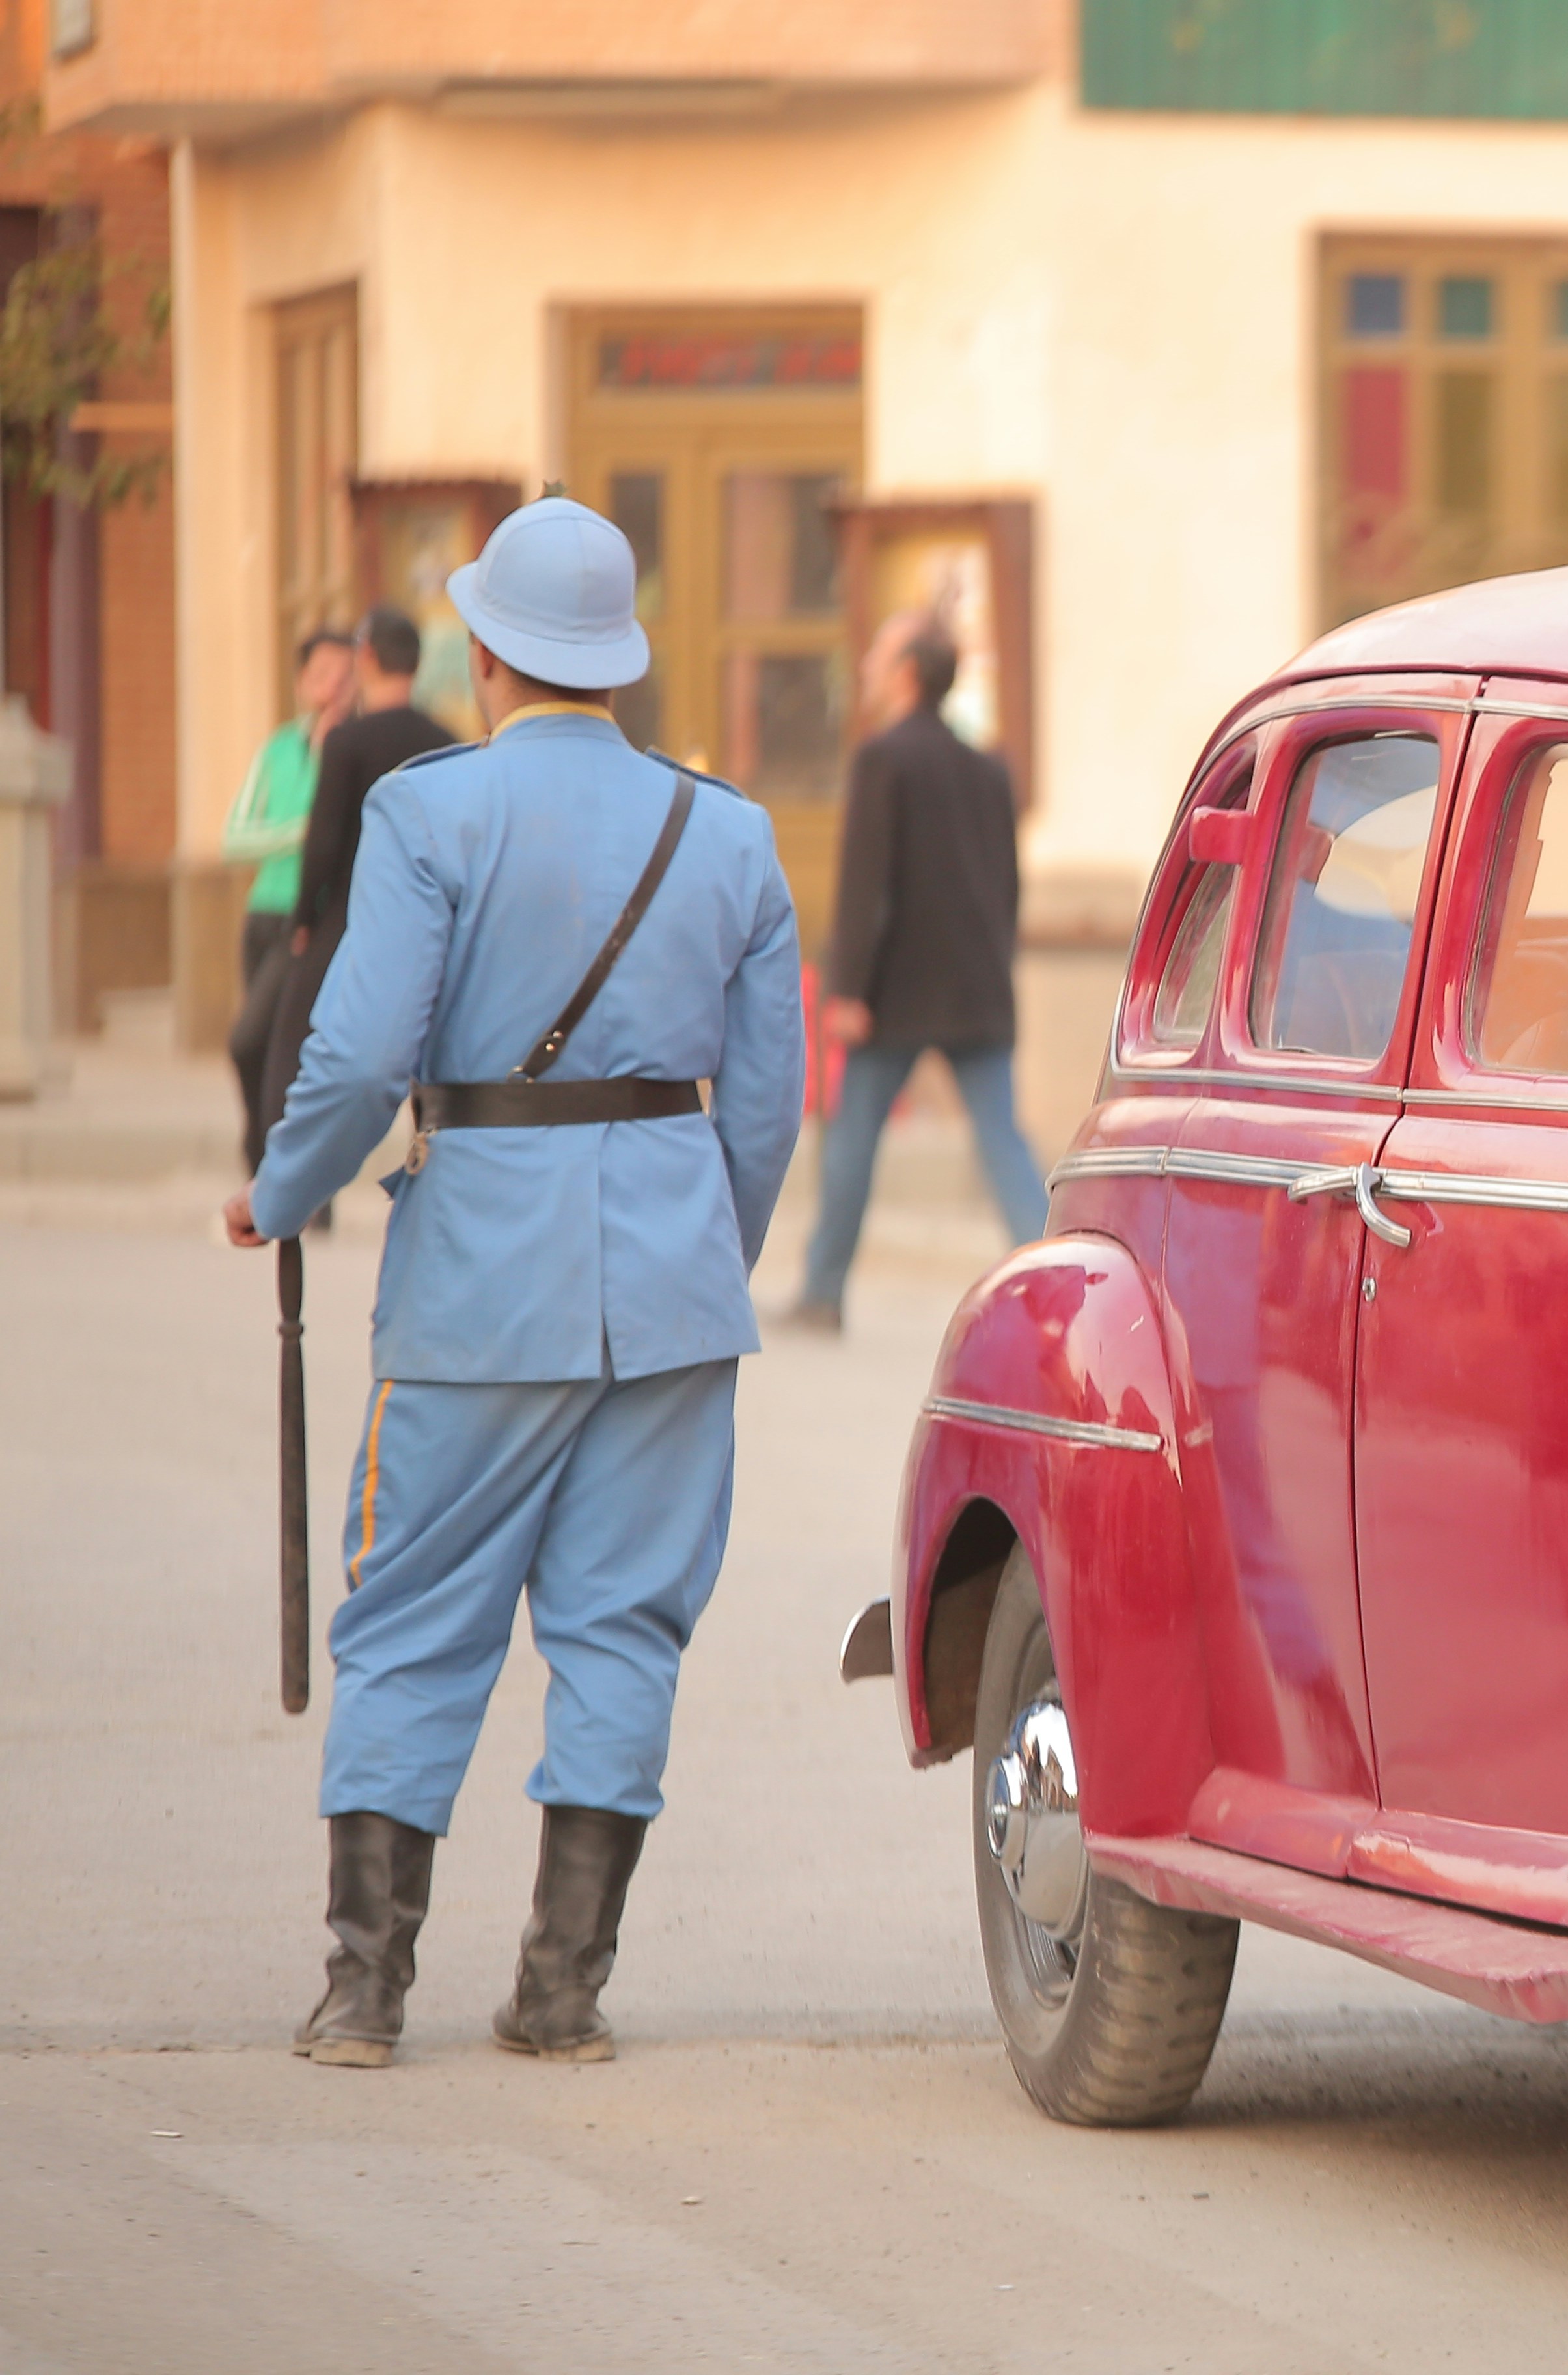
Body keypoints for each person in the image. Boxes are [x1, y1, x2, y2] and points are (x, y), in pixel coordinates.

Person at [221, 496, 803, 2070]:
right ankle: (562, 1994)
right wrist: (698, 1255)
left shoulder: (432, 813)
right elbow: (762, 1112)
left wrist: (283, 1191)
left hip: (479, 1271)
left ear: (482, 652)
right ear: (614, 659)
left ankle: (364, 1994)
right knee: (624, 1630)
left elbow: (354, 1056)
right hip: (673, 1282)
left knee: (411, 1620)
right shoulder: (729, 831)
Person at [783, 615, 1047, 1330]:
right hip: (976, 988)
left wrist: (848, 991)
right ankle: (1064, 1285)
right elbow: (1008, 884)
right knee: (1004, 1141)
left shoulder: (882, 760)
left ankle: (822, 1292)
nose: (865, 666)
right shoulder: (990, 768)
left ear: (904, 674)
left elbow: (865, 883)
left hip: (894, 996)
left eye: (875, 654)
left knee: (852, 1141)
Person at [252, 605, 457, 1161]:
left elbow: (322, 845)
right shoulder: (446, 741)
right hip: (429, 920)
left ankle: (295, 1188)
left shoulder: (347, 743)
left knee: (291, 1047)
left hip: (348, 914)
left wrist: (303, 922)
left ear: (367, 658)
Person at [222, 627, 355, 1167]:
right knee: (263, 1052)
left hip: (314, 923)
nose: (333, 689)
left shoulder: (354, 752)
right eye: (322, 676)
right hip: (265, 916)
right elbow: (235, 838)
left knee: (257, 1044)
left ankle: (280, 1169)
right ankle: (265, 1157)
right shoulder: (278, 748)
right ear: (302, 683)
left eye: (346, 677)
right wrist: (304, 829)